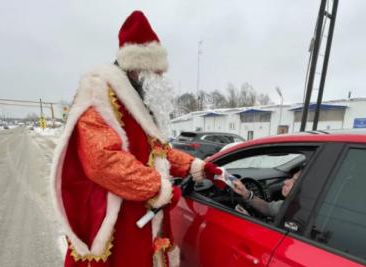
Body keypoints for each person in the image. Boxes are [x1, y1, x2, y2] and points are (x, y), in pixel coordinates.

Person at [50, 10, 221, 267]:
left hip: (144, 217)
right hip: (118, 222)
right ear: (140, 67)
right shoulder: (100, 94)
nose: (161, 78)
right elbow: (103, 160)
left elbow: (158, 152)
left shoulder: (139, 101)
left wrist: (195, 166)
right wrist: (158, 188)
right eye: (157, 71)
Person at [232, 169, 302, 217]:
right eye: (291, 178)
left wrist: (248, 218)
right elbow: (269, 208)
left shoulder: (298, 215)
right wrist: (246, 193)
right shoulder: (288, 204)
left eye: (295, 182)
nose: (285, 182)